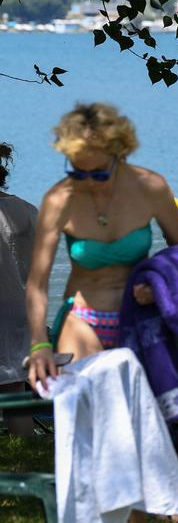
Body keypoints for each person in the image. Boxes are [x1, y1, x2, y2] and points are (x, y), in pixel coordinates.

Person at [25, 103, 178, 387]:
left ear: (119, 153)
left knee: (143, 415)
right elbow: (38, 283)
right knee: (93, 405)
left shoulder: (150, 187)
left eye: (99, 173)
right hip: (84, 318)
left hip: (142, 315)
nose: (88, 182)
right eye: (77, 171)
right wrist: (40, 346)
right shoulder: (59, 200)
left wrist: (161, 285)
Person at [0, 143, 37, 435]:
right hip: (19, 307)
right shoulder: (26, 210)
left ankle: (23, 447)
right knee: (13, 380)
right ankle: (24, 443)